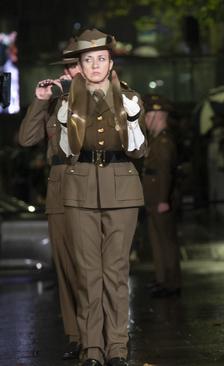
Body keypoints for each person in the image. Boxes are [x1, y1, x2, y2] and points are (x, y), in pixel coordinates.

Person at [57, 28, 147, 366]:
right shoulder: (68, 101)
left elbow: (139, 151)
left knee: (116, 272)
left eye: (101, 59)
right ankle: (92, 348)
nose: (95, 65)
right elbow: (65, 152)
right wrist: (66, 125)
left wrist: (134, 120)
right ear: (79, 65)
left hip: (122, 187)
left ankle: (117, 347)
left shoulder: (128, 98)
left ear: (110, 63)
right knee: (88, 273)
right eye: (88, 60)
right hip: (80, 188)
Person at [18, 37, 82, 360]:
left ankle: (98, 332)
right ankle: (76, 335)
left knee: (91, 265)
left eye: (76, 65)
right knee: (66, 266)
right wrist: (43, 100)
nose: (72, 72)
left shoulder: (97, 95)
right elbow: (27, 138)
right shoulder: (56, 100)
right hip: (58, 187)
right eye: (68, 66)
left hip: (89, 182)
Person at [141, 94, 182, 298]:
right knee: (157, 241)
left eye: (149, 116)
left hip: (160, 198)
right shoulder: (155, 140)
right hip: (153, 197)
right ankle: (162, 279)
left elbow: (165, 172)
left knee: (166, 241)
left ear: (159, 116)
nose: (146, 120)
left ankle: (172, 282)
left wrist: (164, 199)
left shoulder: (164, 141)